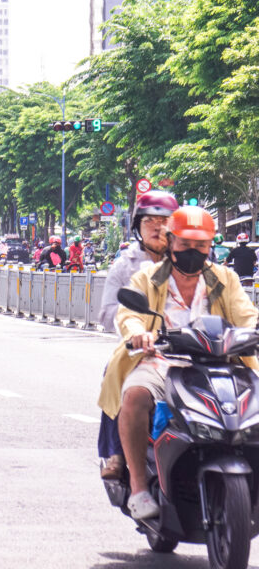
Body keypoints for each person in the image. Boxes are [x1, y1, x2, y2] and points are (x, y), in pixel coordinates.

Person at [100, 205, 258, 519]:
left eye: (201, 245)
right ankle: (139, 487)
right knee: (134, 395)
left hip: (219, 364)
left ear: (210, 246)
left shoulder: (224, 278)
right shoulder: (147, 277)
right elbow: (128, 315)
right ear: (171, 242)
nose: (193, 252)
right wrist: (138, 334)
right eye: (185, 244)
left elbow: (246, 316)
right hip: (160, 361)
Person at [96, 189, 177, 479]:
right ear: (138, 227)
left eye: (165, 221)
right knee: (116, 374)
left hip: (189, 347)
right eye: (150, 221)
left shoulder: (190, 263)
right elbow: (108, 313)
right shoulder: (126, 266)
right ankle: (116, 453)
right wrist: (137, 329)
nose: (159, 228)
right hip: (140, 349)